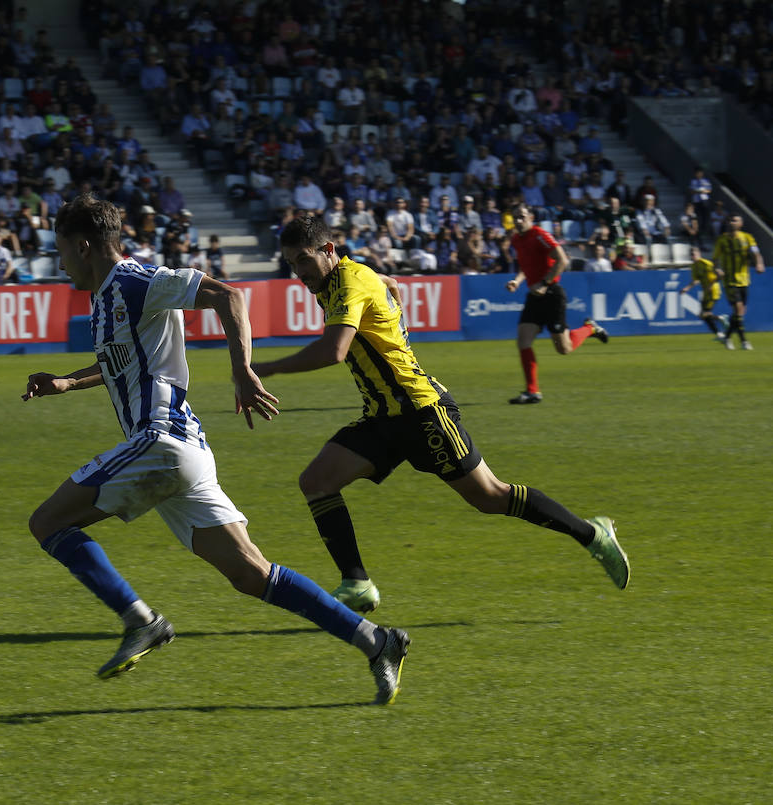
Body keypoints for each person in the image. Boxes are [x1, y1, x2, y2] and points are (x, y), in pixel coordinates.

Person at [22, 194, 410, 705]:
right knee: (253, 575)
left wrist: (242, 370)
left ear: (83, 244)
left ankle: (141, 620)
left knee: (47, 523)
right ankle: (376, 641)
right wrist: (68, 385)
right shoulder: (105, 298)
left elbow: (229, 296)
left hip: (160, 441)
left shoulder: (138, 281)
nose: (61, 262)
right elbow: (122, 362)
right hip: (181, 454)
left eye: (62, 251)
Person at [248, 215, 629, 618]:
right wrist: (391, 302)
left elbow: (333, 351)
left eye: (304, 261)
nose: (299, 273)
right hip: (383, 416)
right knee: (317, 481)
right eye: (292, 264)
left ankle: (592, 533)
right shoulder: (342, 278)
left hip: (421, 411)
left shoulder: (350, 281)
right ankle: (357, 583)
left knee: (491, 497)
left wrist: (264, 369)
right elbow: (388, 284)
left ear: (328, 251)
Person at [505, 203, 607, 405]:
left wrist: (544, 283)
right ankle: (532, 392)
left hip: (552, 294)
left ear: (531, 217)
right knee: (523, 341)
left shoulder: (540, 235)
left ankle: (589, 328)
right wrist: (517, 281)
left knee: (564, 349)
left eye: (522, 216)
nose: (518, 220)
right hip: (534, 295)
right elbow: (527, 266)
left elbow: (562, 260)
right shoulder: (516, 239)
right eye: (515, 217)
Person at [711, 214, 764, 350]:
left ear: (741, 224)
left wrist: (759, 264)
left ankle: (727, 337)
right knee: (738, 309)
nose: (732, 222)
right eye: (730, 220)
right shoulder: (722, 240)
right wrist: (717, 269)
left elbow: (756, 253)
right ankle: (744, 342)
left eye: (735, 220)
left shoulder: (747, 238)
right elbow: (715, 259)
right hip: (729, 280)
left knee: (740, 312)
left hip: (744, 280)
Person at [679, 241, 729, 341]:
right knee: (702, 315)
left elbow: (720, 274)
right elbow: (696, 280)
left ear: (699, 254)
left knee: (705, 314)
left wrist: (711, 284)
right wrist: (687, 288)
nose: (693, 256)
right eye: (691, 255)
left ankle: (720, 334)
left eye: (694, 254)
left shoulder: (706, 263)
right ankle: (721, 320)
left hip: (713, 291)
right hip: (706, 292)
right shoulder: (694, 267)